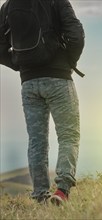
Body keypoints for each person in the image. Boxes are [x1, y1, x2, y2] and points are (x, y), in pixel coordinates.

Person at [0, 0, 85, 205]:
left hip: (29, 84)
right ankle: (62, 190)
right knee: (68, 135)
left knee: (37, 141)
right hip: (59, 79)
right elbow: (76, 35)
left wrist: (20, 64)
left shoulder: (8, 6)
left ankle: (40, 196)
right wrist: (68, 62)